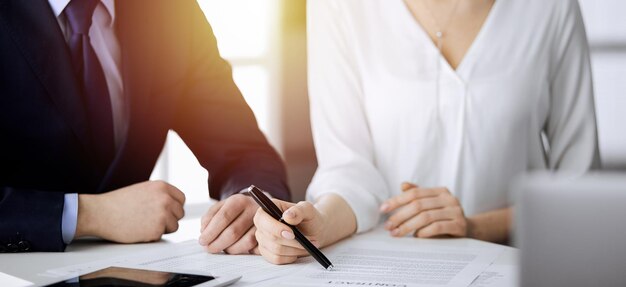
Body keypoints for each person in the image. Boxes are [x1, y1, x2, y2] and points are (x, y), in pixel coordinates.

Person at [253, 0, 600, 264]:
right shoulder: (340, 7)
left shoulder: (551, 8)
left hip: (514, 265)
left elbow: (579, 188)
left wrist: (475, 227)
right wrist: (320, 223)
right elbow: (347, 168)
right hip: (385, 268)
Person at [0, 0, 290, 253]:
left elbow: (246, 153)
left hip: (141, 269)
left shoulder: (170, 10)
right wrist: (87, 215)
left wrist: (251, 204)